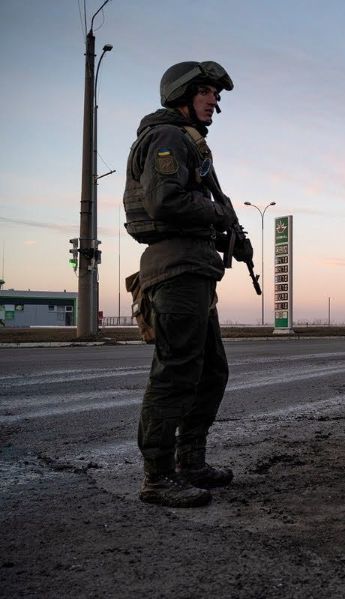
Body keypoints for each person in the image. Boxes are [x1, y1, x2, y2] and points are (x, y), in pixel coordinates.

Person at [122, 61, 253, 508]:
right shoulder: (168, 138)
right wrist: (220, 217)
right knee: (176, 371)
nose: (215, 101)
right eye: (208, 93)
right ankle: (157, 477)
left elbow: (188, 204)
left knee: (211, 370)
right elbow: (167, 202)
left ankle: (190, 462)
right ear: (183, 94)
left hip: (193, 267)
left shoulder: (188, 143)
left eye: (215, 94)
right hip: (175, 268)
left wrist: (229, 239)